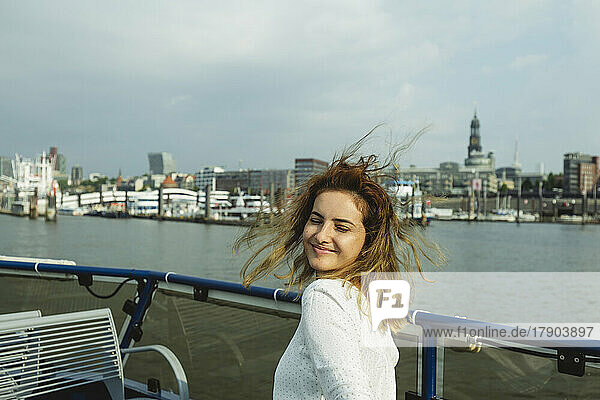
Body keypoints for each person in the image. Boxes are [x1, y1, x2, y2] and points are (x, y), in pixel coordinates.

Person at [235, 130, 443, 399]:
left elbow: (345, 390)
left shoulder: (324, 296)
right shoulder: (373, 298)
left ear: (367, 241)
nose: (321, 236)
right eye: (316, 220)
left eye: (341, 228)